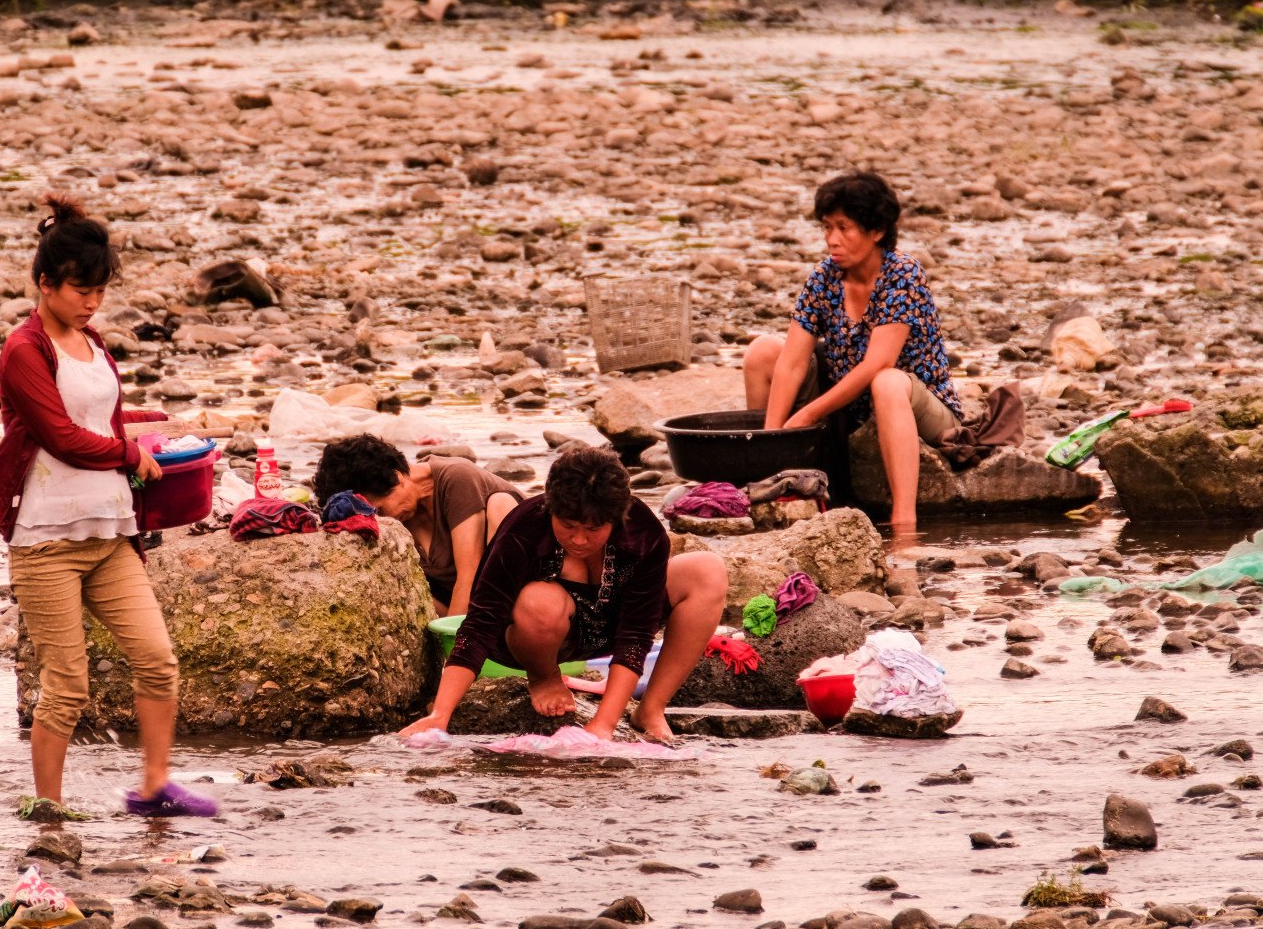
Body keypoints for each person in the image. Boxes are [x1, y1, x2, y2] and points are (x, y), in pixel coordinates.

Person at [0, 193, 215, 819]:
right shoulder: (23, 349)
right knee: (67, 688)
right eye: (81, 289)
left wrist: (148, 422)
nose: (92, 301)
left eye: (100, 290)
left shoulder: (90, 339)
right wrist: (130, 454)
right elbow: (59, 434)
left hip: (109, 532)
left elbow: (92, 413)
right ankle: (47, 809)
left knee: (157, 661)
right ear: (45, 283)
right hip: (47, 539)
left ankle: (154, 788)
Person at [399, 445, 727, 742]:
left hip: (608, 626)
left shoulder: (644, 533)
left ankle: (651, 710)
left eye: (593, 529)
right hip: (528, 638)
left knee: (707, 570)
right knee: (540, 601)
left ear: (617, 518)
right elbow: (481, 622)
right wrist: (439, 715)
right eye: (568, 526)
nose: (579, 540)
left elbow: (636, 635)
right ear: (551, 508)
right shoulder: (525, 527)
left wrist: (604, 724)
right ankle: (543, 676)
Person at [741, 171, 962, 530]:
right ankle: (770, 481)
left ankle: (904, 521)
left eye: (844, 228)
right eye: (828, 228)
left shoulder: (902, 274)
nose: (833, 240)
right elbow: (792, 361)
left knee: (888, 381)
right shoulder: (825, 277)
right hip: (850, 409)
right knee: (763, 351)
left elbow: (878, 363)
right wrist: (773, 438)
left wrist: (808, 414)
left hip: (919, 405)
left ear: (876, 232)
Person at [313, 434, 523, 617]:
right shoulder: (404, 514)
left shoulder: (457, 478)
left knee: (500, 506)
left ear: (397, 477)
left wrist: (455, 652)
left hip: (514, 595)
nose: (387, 522)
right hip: (462, 606)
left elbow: (470, 576)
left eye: (382, 511)